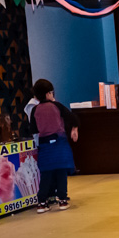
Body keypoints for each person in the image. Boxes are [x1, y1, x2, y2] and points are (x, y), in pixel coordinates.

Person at [30, 79, 78, 212]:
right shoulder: (57, 106)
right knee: (61, 172)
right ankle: (62, 200)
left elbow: (33, 129)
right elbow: (73, 118)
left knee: (46, 175)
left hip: (44, 146)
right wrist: (74, 129)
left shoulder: (34, 110)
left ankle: (41, 202)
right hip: (60, 144)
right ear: (48, 94)